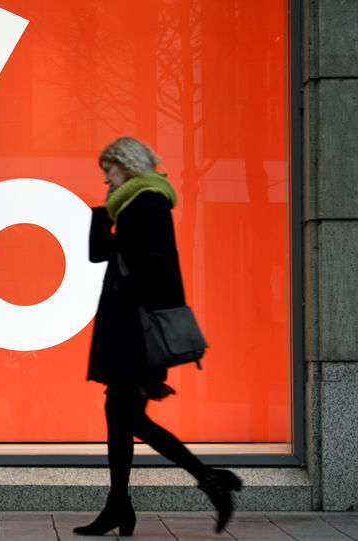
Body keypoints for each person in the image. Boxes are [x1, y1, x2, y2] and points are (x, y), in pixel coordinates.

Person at [74, 137, 242, 537]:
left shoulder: (148, 201)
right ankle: (125, 505)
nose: (105, 179)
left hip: (134, 332)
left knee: (126, 417)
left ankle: (207, 482)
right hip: (124, 329)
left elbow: (163, 263)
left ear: (126, 165)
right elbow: (98, 253)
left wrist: (121, 290)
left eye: (109, 171)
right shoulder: (128, 205)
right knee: (122, 417)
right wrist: (105, 210)